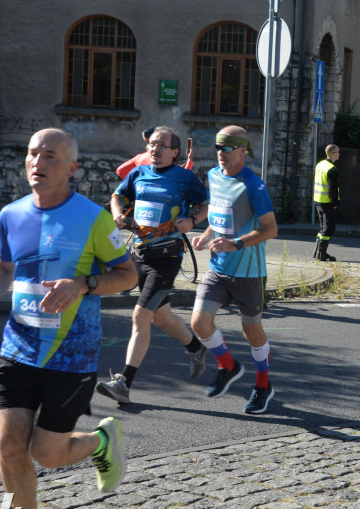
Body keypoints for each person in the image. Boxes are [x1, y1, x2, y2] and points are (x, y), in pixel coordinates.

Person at [0, 129, 138, 509]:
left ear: (71, 168)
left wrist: (83, 284)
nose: (37, 162)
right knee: (8, 443)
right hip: (17, 348)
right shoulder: (11, 214)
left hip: (71, 356)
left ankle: (100, 441)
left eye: (50, 155)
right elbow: (5, 264)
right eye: (32, 154)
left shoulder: (94, 218)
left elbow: (128, 275)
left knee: (47, 453)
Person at [95, 127, 210, 405]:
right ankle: (196, 348)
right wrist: (118, 214)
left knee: (140, 316)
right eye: (152, 145)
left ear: (175, 152)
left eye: (162, 145)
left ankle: (123, 383)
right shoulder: (139, 173)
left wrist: (193, 221)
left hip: (167, 257)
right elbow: (118, 196)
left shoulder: (184, 178)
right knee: (161, 317)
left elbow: (206, 204)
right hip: (140, 255)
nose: (155, 149)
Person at [190, 126, 279, 414]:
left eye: (227, 147)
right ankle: (228, 366)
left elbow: (271, 229)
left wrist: (236, 244)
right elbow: (218, 214)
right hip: (218, 269)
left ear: (242, 150)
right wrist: (206, 235)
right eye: (218, 147)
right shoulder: (214, 176)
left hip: (249, 273)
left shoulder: (253, 185)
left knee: (251, 331)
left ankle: (263, 385)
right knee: (199, 322)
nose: (221, 152)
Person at [116, 127, 194, 179]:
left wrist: (137, 183)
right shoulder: (162, 159)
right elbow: (182, 178)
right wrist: (189, 161)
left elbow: (120, 170)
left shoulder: (139, 157)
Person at [313, 143, 341, 262]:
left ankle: (317, 252)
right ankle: (322, 254)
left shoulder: (320, 165)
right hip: (327, 202)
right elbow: (332, 189)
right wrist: (335, 203)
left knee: (322, 228)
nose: (339, 154)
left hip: (318, 199)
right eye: (338, 152)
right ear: (333, 154)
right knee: (328, 229)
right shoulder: (332, 169)